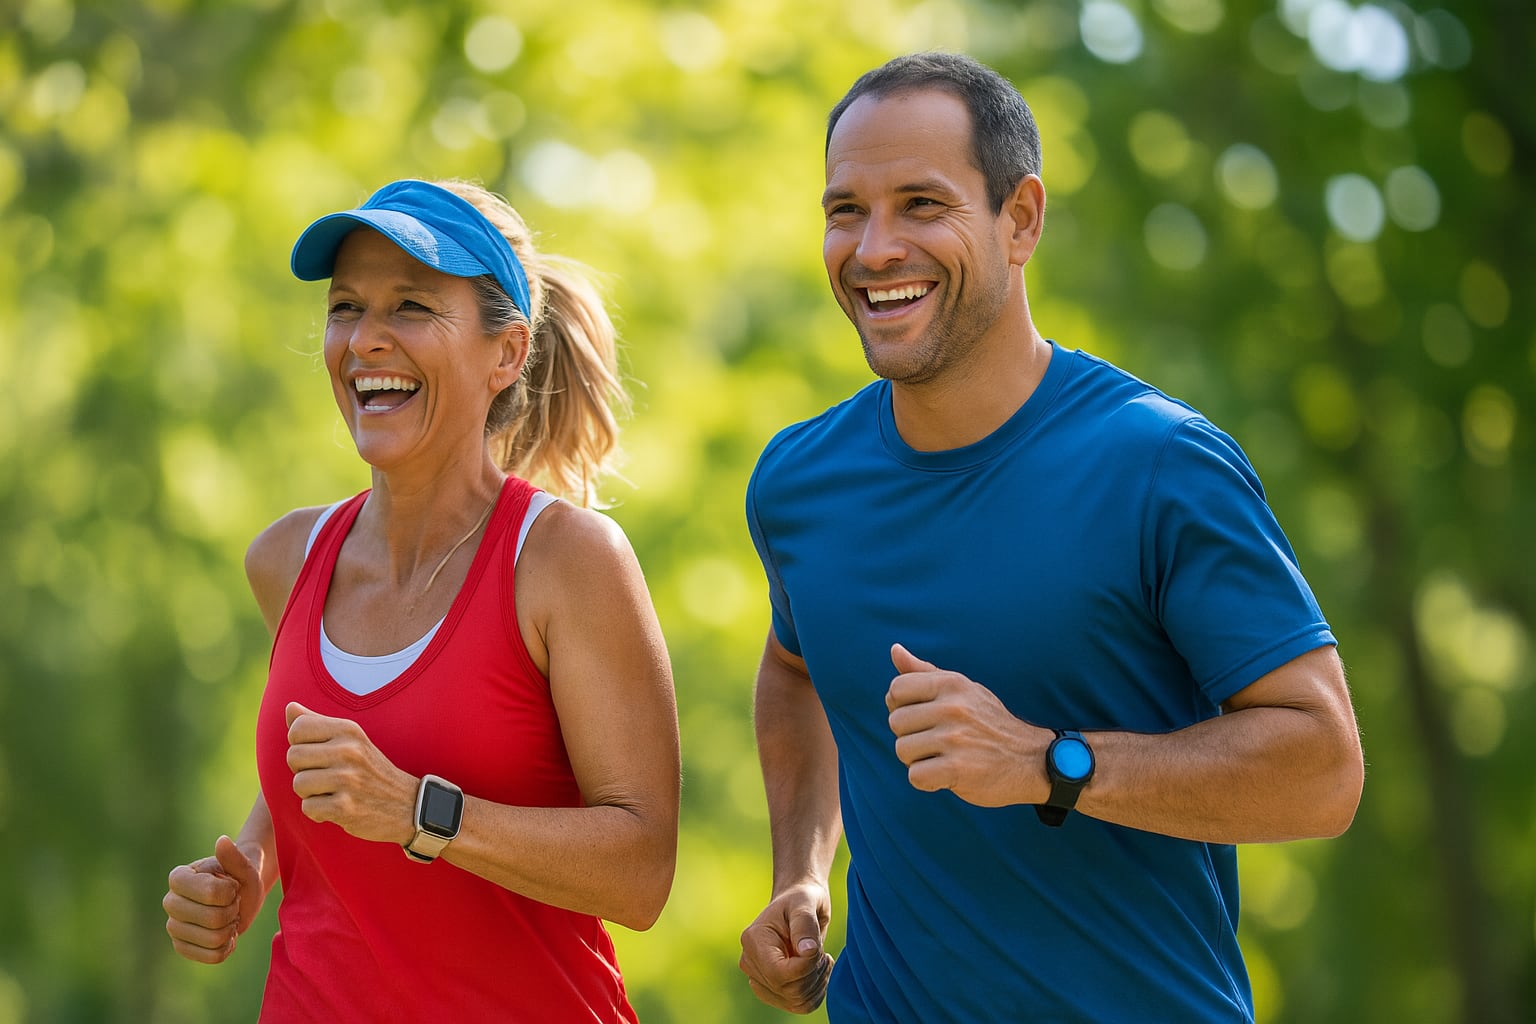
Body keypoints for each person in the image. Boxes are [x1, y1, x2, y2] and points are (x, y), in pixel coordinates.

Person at [737, 52, 1364, 1022]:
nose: (873, 249)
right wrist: (801, 870)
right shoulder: (799, 482)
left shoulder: (1159, 463)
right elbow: (795, 668)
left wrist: (1045, 761)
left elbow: (1322, 769)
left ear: (1020, 218)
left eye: (921, 204)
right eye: (845, 210)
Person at [162, 178, 680, 1022]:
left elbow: (642, 871)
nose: (366, 340)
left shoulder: (563, 562)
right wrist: (244, 869)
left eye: (410, 307)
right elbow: (325, 761)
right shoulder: (286, 559)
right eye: (346, 308)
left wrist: (419, 812)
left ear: (506, 353)